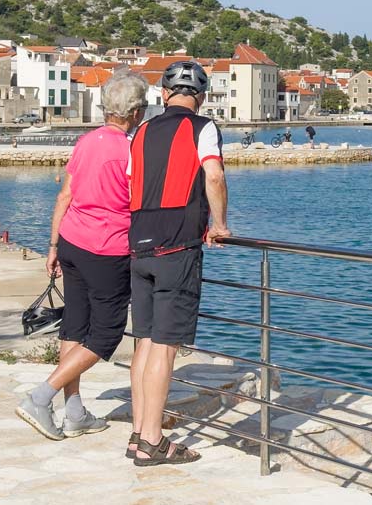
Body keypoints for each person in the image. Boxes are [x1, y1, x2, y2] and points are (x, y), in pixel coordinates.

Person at [16, 72, 149, 441]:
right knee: (105, 336)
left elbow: (65, 196)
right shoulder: (131, 152)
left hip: (72, 241)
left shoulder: (87, 142)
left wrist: (54, 246)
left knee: (74, 324)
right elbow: (140, 204)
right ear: (136, 112)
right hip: (107, 250)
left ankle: (74, 412)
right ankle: (41, 397)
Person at [127, 60, 230, 466]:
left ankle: (138, 433)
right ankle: (153, 442)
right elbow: (214, 176)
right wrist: (219, 224)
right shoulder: (203, 127)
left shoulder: (141, 130)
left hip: (139, 246)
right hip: (177, 248)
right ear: (200, 97)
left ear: (163, 94)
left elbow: (133, 182)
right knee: (165, 349)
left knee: (145, 343)